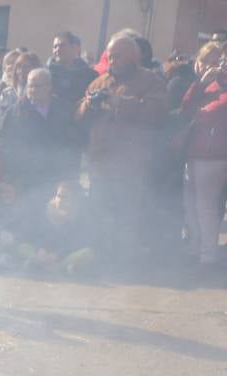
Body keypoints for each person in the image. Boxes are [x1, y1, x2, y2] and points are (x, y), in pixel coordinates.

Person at [78, 35, 169, 262]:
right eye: (110, 56)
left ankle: (126, 260)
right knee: (100, 213)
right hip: (100, 162)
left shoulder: (150, 80)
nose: (112, 61)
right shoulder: (99, 82)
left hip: (131, 163)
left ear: (134, 56)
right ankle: (101, 258)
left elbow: (157, 112)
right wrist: (88, 105)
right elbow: (78, 115)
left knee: (128, 214)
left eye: (117, 56)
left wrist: (122, 103)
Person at [0, 67, 80, 208]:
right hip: (26, 178)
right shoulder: (15, 113)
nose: (32, 90)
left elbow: (72, 141)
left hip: (57, 177)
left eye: (37, 86)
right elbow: (4, 143)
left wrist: (70, 172)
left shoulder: (63, 109)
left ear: (49, 87)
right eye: (30, 86)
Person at [177, 42, 227, 267]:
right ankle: (195, 248)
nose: (211, 66)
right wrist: (200, 85)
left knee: (206, 206)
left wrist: (199, 109)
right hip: (194, 153)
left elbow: (209, 115)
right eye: (206, 60)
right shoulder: (203, 85)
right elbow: (186, 111)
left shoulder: (222, 88)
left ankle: (208, 255)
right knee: (191, 204)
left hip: (214, 155)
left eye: (216, 61)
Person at [49, 31, 97, 117]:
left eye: (62, 45)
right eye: (55, 46)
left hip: (82, 123)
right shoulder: (46, 76)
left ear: (74, 48)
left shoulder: (90, 75)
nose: (57, 49)